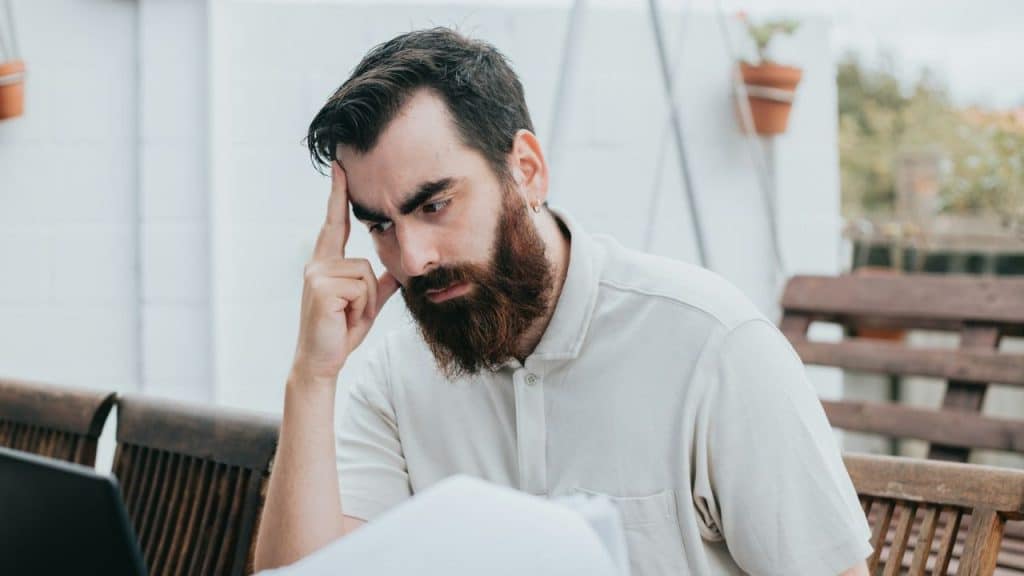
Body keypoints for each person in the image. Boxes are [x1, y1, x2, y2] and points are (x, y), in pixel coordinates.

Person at [254, 27, 872, 576]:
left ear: (526, 169)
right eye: (380, 226)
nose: (412, 258)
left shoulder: (711, 347)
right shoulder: (396, 377)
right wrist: (313, 376)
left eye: (434, 206)